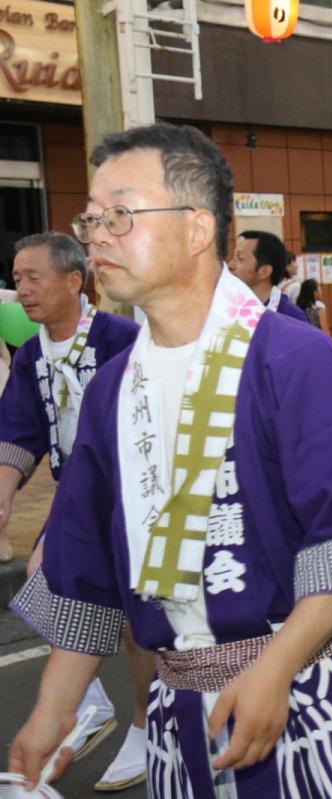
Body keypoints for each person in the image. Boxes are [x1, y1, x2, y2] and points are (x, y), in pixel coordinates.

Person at [8, 122, 332, 797]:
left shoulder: (296, 360)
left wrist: (275, 666)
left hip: (311, 689)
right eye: (92, 219)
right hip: (180, 711)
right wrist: (51, 712)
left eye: (121, 214)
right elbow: (84, 571)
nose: (98, 237)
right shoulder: (113, 389)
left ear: (198, 228)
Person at [0, 232, 151, 792]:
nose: (22, 290)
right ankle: (90, 707)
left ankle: (142, 724)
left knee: (140, 626)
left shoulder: (123, 337)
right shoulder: (33, 353)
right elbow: (19, 425)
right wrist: (6, 486)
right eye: (16, 279)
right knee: (46, 577)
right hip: (76, 496)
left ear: (73, 280)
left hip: (133, 494)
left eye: (33, 277)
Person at [228, 230, 309, 322]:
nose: (230, 265)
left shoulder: (292, 318)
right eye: (233, 257)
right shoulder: (224, 308)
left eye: (240, 258)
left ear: (264, 271)